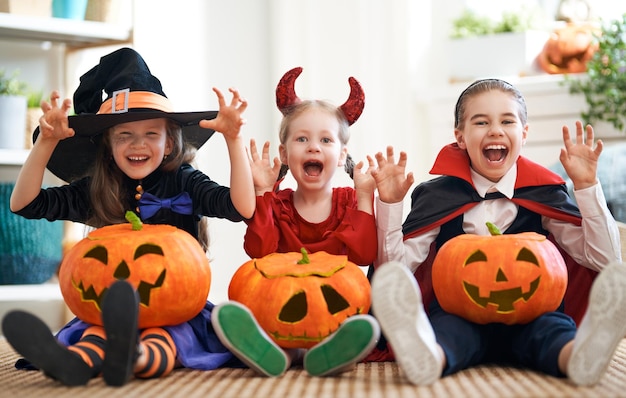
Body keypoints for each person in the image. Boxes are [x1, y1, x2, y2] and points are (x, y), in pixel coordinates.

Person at [1, 47, 255, 386]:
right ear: (108, 144)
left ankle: (133, 356)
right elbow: (25, 204)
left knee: (166, 337)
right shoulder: (96, 187)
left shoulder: (184, 180)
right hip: (109, 311)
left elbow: (242, 208)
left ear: (168, 143)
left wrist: (233, 139)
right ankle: (74, 363)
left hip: (173, 309)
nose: (138, 144)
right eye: (125, 135)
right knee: (94, 332)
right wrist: (45, 143)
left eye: (151, 134)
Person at [369, 78, 626, 386]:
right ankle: (427, 359)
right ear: (460, 137)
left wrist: (586, 187)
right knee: (446, 335)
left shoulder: (544, 193)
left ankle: (579, 357)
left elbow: (604, 259)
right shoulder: (437, 197)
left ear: (524, 133)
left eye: (507, 120)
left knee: (553, 332)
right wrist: (390, 205)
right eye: (481, 122)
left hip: (534, 311)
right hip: (458, 313)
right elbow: (396, 269)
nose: (495, 130)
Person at [211, 67, 381, 377]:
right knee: (272, 317)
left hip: (331, 312)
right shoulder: (278, 204)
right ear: (285, 154)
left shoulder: (348, 201)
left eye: (325, 140)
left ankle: (329, 350)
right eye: (302, 139)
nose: (313, 147)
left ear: (342, 155)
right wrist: (263, 191)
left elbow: (364, 255)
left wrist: (364, 196)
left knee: (344, 323)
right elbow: (259, 250)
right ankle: (275, 354)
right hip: (281, 309)